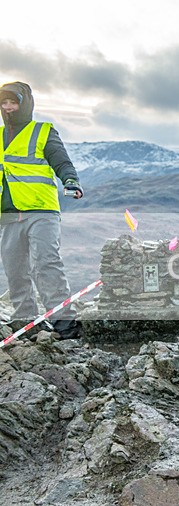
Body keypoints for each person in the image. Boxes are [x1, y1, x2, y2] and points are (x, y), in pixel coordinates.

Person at [0, 81, 84, 339]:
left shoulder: (43, 131)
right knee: (15, 269)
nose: (8, 108)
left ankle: (64, 323)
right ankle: (25, 322)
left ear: (26, 104)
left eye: (13, 102)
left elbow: (61, 161)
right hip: (9, 214)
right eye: (4, 103)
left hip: (42, 211)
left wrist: (70, 180)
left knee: (46, 263)